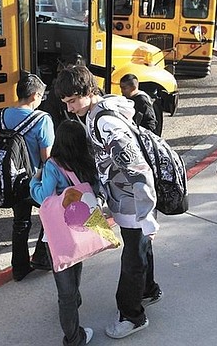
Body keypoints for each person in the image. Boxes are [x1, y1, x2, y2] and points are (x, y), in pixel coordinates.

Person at [53, 66, 161, 340]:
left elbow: (137, 168)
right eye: (65, 103)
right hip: (128, 199)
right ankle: (148, 291)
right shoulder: (95, 114)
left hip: (134, 203)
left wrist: (146, 213)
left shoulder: (104, 122)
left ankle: (132, 316)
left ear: (89, 91)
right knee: (140, 250)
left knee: (133, 258)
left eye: (73, 100)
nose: (69, 108)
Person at [30, 120, 99, 345]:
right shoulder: (87, 161)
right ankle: (75, 300)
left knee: (64, 289)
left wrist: (33, 182)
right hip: (81, 226)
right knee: (77, 263)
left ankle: (73, 337)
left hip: (59, 233)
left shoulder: (53, 165)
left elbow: (44, 197)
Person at [0, 74, 55, 280]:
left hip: (12, 178)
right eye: (41, 96)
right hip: (34, 179)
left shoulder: (2, 115)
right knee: (51, 214)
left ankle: (19, 268)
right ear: (34, 96)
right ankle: (41, 255)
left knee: (20, 223)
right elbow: (46, 157)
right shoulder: (42, 119)